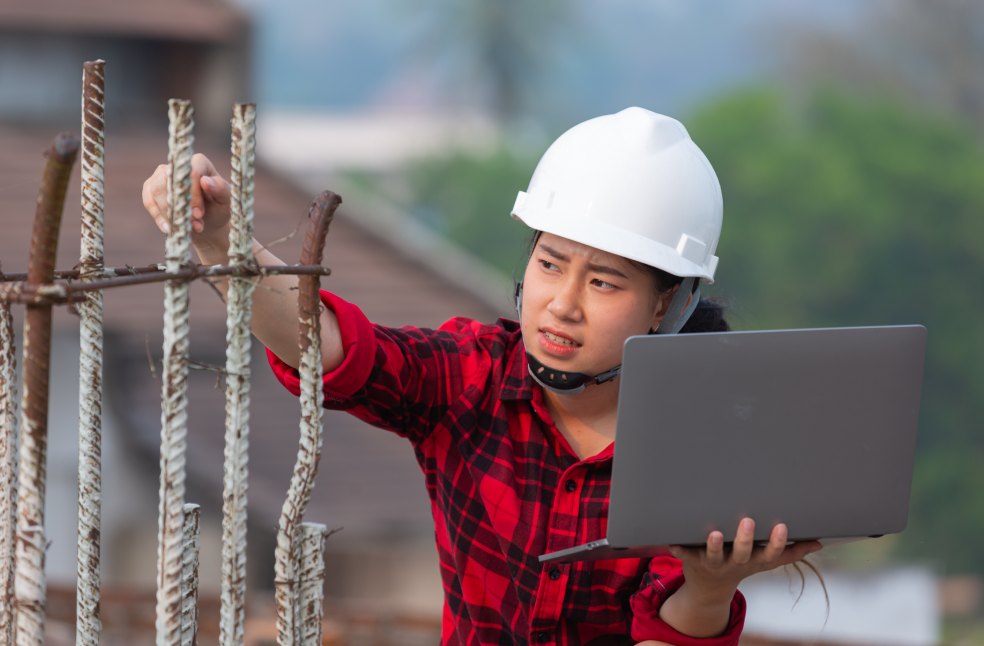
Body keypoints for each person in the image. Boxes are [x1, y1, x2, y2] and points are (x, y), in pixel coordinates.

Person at [143, 107, 822, 645]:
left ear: (668, 305)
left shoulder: (698, 445)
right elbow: (335, 349)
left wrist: (706, 592)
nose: (563, 302)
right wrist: (218, 237)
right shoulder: (470, 378)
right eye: (551, 264)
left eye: (605, 281)